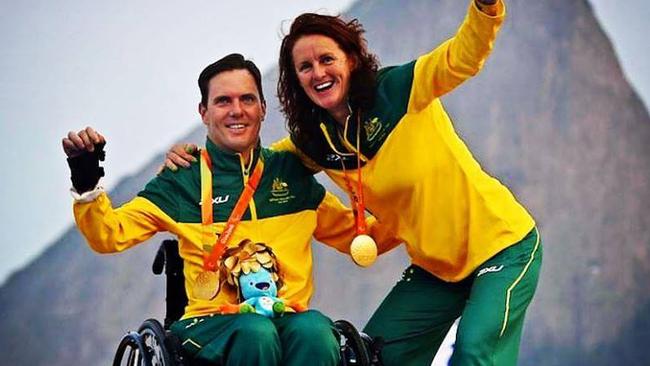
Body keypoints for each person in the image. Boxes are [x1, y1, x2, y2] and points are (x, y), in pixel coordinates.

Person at [164, 1, 541, 365]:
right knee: (373, 355)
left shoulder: (399, 90)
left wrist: (487, 6)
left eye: (327, 59)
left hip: (503, 248)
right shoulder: (316, 140)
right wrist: (201, 159)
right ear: (295, 80)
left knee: (474, 352)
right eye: (305, 66)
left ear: (352, 59)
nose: (318, 72)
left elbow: (462, 57)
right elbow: (259, 166)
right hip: (438, 269)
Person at [63, 54, 397, 366]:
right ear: (204, 112)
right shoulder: (183, 178)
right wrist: (87, 182)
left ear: (263, 108)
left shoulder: (290, 173)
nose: (237, 110)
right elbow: (109, 235)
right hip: (209, 325)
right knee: (255, 332)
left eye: (247, 99)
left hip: (288, 316)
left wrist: (421, 203)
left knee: (314, 331)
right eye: (223, 101)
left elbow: (359, 236)